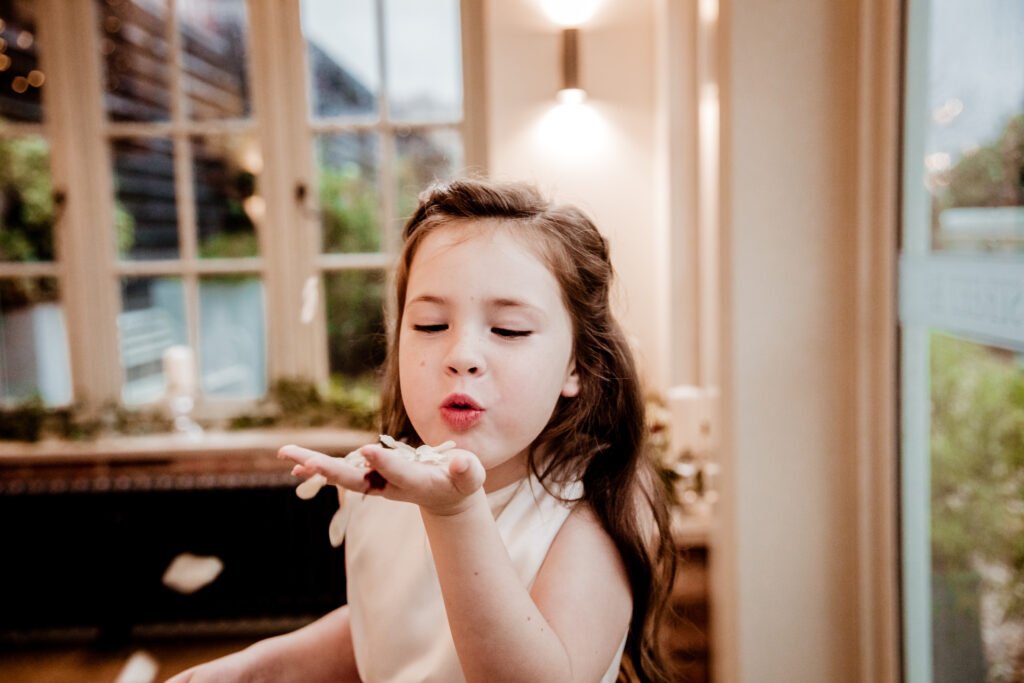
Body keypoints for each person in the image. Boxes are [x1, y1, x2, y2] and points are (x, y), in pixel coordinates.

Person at [168, 178, 677, 683]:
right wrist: (257, 667)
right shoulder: (376, 489)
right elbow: (396, 632)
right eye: (431, 325)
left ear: (578, 365)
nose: (462, 356)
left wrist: (453, 512)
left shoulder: (596, 505)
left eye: (509, 330)